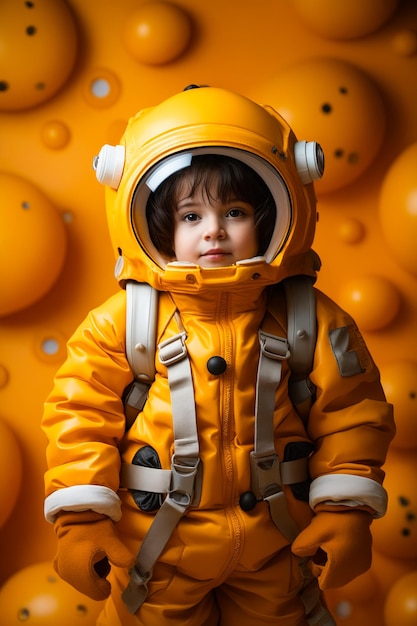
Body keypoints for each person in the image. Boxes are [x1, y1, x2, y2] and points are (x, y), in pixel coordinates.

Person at [42, 86, 395, 626]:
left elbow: (353, 413)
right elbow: (79, 416)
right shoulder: (124, 322)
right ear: (156, 225)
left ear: (277, 214)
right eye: (190, 216)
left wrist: (345, 508)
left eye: (234, 211)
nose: (213, 230)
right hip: (156, 553)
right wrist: (82, 519)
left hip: (280, 546)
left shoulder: (310, 317)